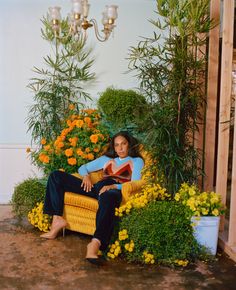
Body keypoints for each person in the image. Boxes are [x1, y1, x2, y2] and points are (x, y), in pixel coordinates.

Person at [40, 131, 144, 265]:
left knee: (108, 197)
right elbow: (83, 167)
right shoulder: (106, 159)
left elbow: (134, 183)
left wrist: (113, 186)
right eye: (117, 145)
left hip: (114, 190)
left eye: (123, 144)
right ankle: (57, 219)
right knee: (56, 176)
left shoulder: (136, 161)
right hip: (96, 188)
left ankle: (95, 244)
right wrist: (86, 176)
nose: (120, 148)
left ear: (129, 144)